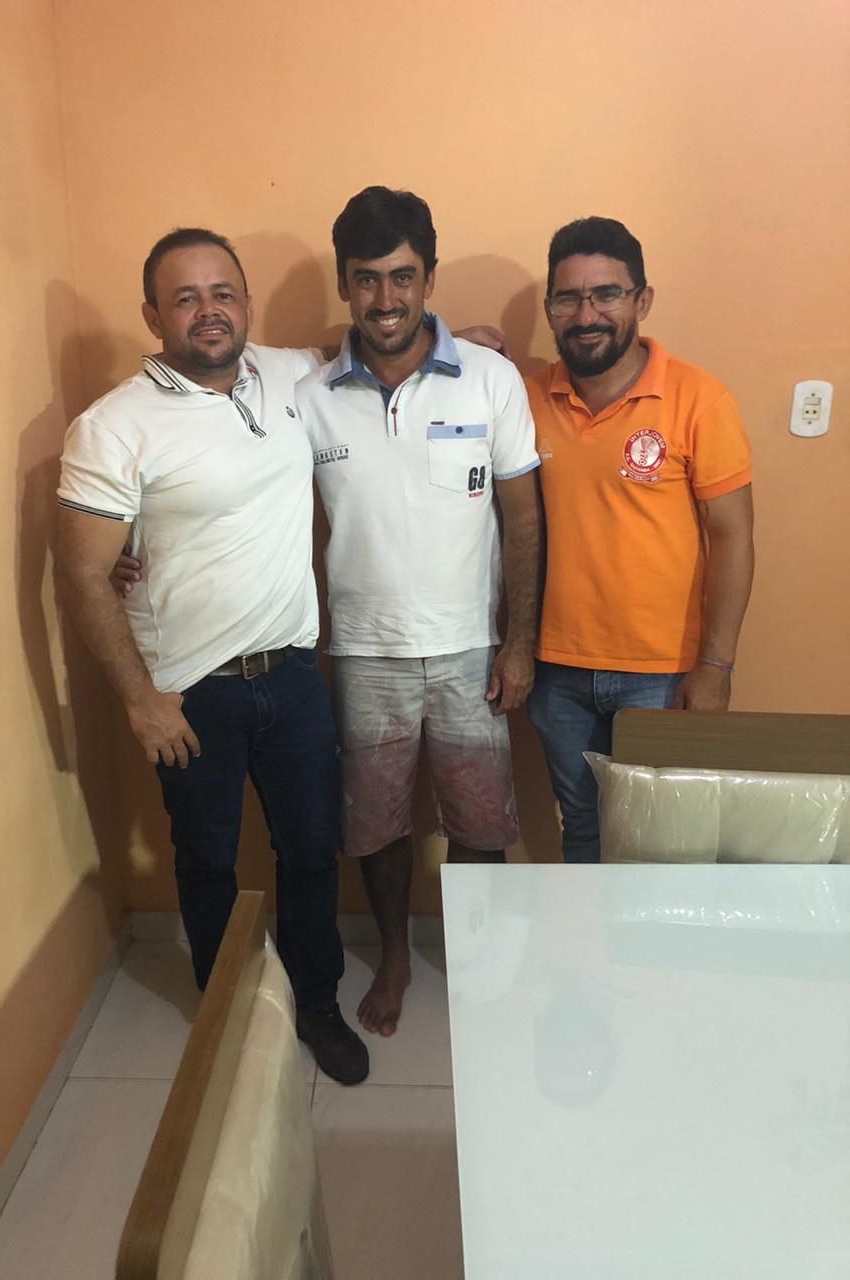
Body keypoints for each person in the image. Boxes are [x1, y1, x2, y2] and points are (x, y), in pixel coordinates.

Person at [55, 227, 369, 1084]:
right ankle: (228, 1015)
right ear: (152, 314)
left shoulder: (286, 373)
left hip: (293, 675)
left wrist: (467, 341)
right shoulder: (114, 426)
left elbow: (360, 345)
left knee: (312, 850)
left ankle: (316, 1003)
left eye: (222, 292)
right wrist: (141, 701)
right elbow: (81, 574)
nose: (208, 311)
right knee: (207, 863)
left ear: (246, 302)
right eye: (185, 297)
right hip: (191, 694)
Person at [295, 187, 542, 1036]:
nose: (386, 298)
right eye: (366, 279)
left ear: (429, 278)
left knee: (481, 820)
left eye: (402, 277)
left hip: (473, 647)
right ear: (344, 284)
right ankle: (396, 955)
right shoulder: (309, 394)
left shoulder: (491, 378)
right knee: (375, 824)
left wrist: (519, 643)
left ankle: (475, 958)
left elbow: (523, 518)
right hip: (363, 651)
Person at [525, 216, 755, 863]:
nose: (586, 314)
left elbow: (733, 536)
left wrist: (716, 667)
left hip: (664, 673)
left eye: (607, 294)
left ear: (642, 300)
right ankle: (593, 936)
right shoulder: (527, 396)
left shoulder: (698, 399)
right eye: (569, 298)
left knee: (662, 842)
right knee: (582, 827)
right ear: (550, 308)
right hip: (557, 669)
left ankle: (655, 939)